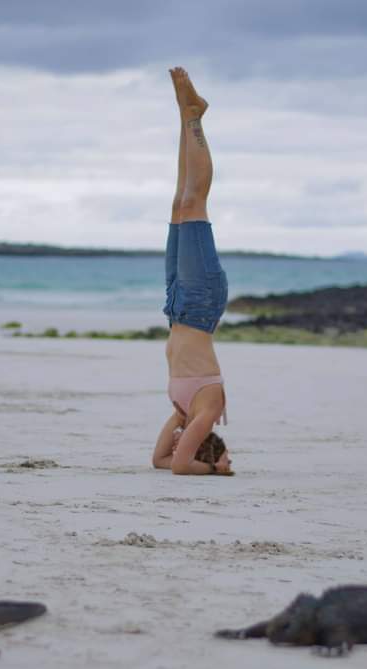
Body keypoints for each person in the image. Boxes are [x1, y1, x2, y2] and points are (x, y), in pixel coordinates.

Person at [152, 68, 233, 476]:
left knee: (178, 204)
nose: (176, 439)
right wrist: (217, 469)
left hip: (177, 307)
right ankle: (194, 119)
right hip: (200, 305)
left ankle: (185, 115)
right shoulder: (208, 410)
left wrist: (179, 431)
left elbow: (161, 461)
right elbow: (180, 467)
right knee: (193, 202)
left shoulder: (185, 413)